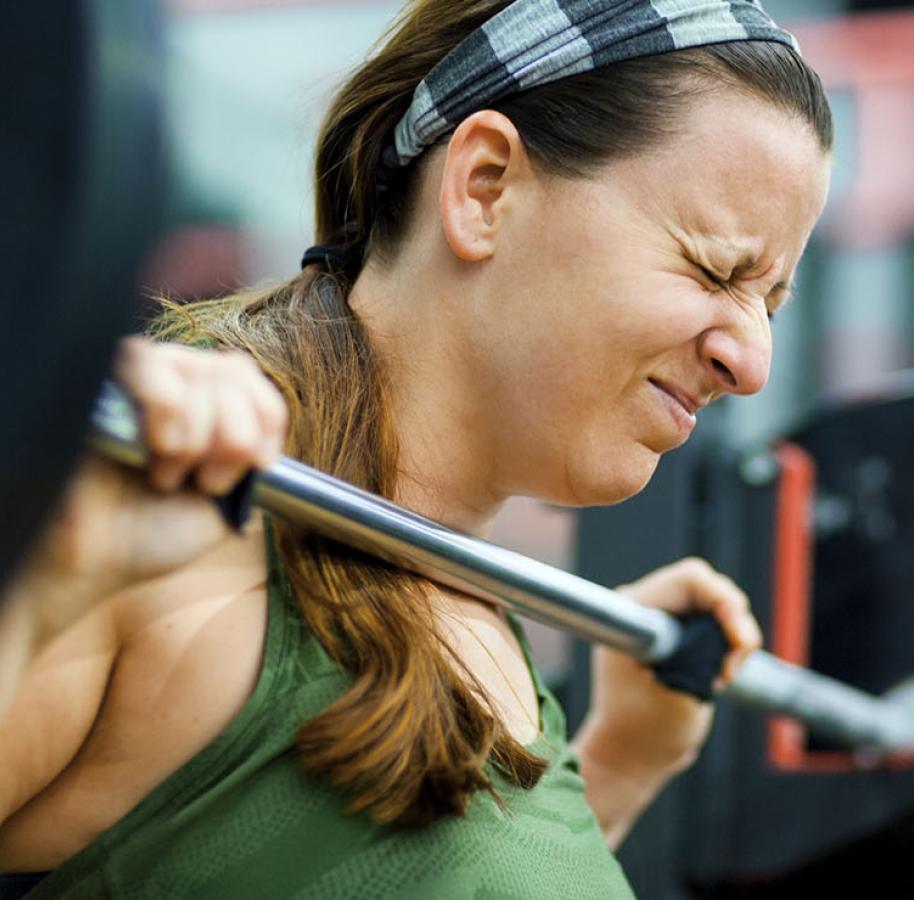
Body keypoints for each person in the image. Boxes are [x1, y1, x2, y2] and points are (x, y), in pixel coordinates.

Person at [0, 0, 833, 895]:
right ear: (484, 188)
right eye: (715, 269)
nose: (749, 363)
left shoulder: (475, 616)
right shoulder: (181, 516)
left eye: (771, 305)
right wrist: (56, 589)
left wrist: (616, 767)